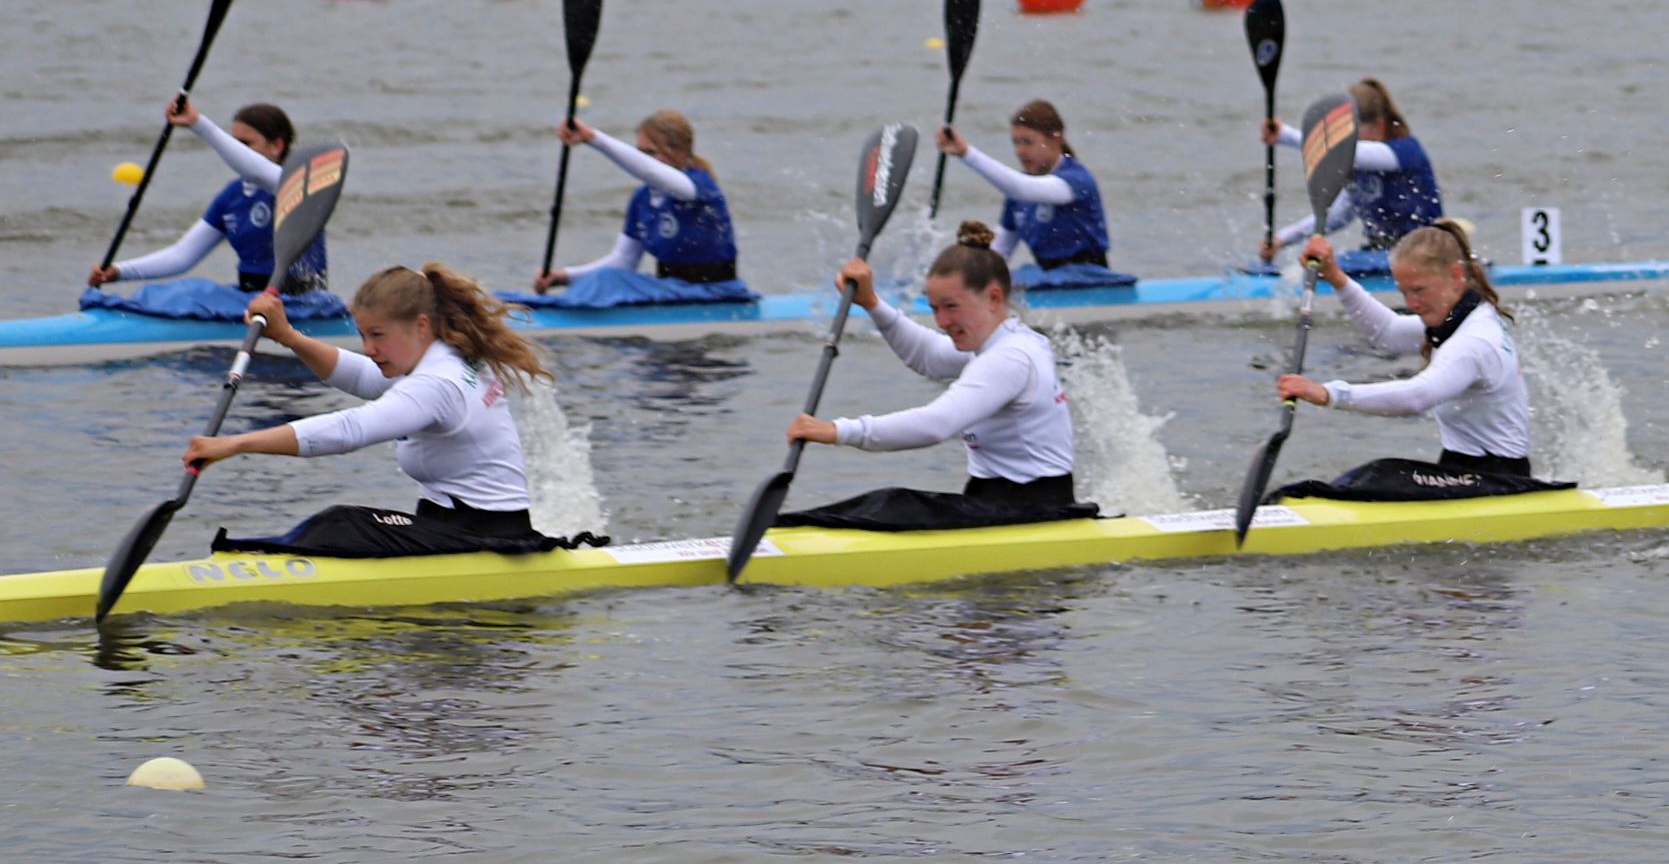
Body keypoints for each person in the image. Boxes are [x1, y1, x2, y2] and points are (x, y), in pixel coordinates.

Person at [189, 265, 578, 557]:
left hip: (484, 538)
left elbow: (350, 429)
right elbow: (363, 377)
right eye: (363, 335)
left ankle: (251, 557)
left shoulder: (437, 383)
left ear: (421, 325)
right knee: (342, 525)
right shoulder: (442, 357)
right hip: (459, 527)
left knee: (341, 522)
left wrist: (233, 445)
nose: (369, 348)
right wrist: (289, 337)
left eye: (377, 336)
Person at [777, 227, 1094, 531]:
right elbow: (928, 356)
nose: (942, 321)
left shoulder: (1008, 359)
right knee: (888, 506)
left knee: (892, 503)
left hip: (1031, 511)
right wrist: (872, 303)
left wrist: (838, 431)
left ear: (994, 298)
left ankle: (778, 531)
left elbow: (936, 424)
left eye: (952, 307)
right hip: (997, 503)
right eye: (935, 309)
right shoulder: (1005, 341)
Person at [1272, 219, 1560, 500]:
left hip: (1499, 481)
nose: (1411, 304)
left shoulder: (1474, 342)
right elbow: (1388, 333)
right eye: (1404, 292)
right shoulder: (1460, 317)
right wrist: (1336, 277)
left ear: (1456, 276)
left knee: (1378, 474)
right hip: (1466, 473)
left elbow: (1416, 397)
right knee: (1371, 477)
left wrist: (1327, 393)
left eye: (1419, 290)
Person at [86, 99, 344, 321]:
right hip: (250, 301)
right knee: (178, 293)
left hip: (302, 306)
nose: (235, 149)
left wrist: (199, 124)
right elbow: (181, 256)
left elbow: (255, 169)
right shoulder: (232, 196)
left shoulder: (297, 186)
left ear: (277, 145)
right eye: (234, 142)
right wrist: (119, 271)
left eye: (246, 143)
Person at [531, 110, 752, 303]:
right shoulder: (641, 199)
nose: (641, 159)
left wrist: (593, 138)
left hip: (716, 293)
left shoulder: (698, 186)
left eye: (650, 152)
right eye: (639, 152)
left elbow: (649, 171)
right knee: (609, 277)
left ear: (679, 152)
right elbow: (623, 262)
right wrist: (564, 277)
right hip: (670, 291)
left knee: (608, 281)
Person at [942, 99, 1130, 289]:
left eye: (1028, 142)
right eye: (1015, 142)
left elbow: (1021, 188)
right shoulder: (1018, 197)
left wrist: (966, 154)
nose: (1020, 151)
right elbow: (999, 252)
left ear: (1056, 139)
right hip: (1045, 279)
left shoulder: (1078, 180)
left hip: (1089, 279)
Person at [1262, 77, 1444, 264]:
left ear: (1379, 124)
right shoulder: (1360, 169)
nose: (1346, 138)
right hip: (1381, 253)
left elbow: (1346, 153)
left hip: (1424, 254)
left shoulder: (1404, 152)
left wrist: (1286, 136)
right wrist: (1281, 239)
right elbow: (1337, 216)